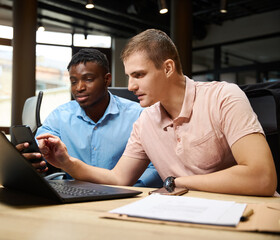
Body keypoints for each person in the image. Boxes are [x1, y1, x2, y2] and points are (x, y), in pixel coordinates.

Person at [35, 29, 277, 196]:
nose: (130, 86)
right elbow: (119, 179)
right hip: (184, 214)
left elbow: (262, 178)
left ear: (168, 68)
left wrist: (176, 182)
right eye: (129, 76)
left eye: (139, 75)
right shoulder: (145, 121)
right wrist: (67, 162)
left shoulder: (224, 97)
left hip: (247, 213)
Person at [33, 48, 162, 187]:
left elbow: (156, 167)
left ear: (107, 79)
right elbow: (39, 148)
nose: (79, 87)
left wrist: (129, 189)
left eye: (88, 79)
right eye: (74, 81)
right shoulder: (60, 116)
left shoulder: (139, 115)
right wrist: (31, 155)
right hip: (75, 195)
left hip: (125, 194)